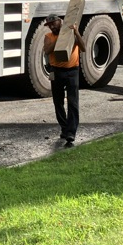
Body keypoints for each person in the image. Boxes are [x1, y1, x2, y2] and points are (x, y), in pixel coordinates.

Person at [42, 13, 86, 147]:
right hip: (56, 71)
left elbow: (83, 48)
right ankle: (64, 127)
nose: (51, 27)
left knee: (73, 102)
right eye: (49, 25)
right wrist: (59, 39)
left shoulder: (72, 34)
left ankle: (71, 132)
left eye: (53, 24)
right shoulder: (48, 36)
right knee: (58, 102)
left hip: (72, 71)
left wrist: (76, 33)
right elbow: (47, 50)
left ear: (60, 21)